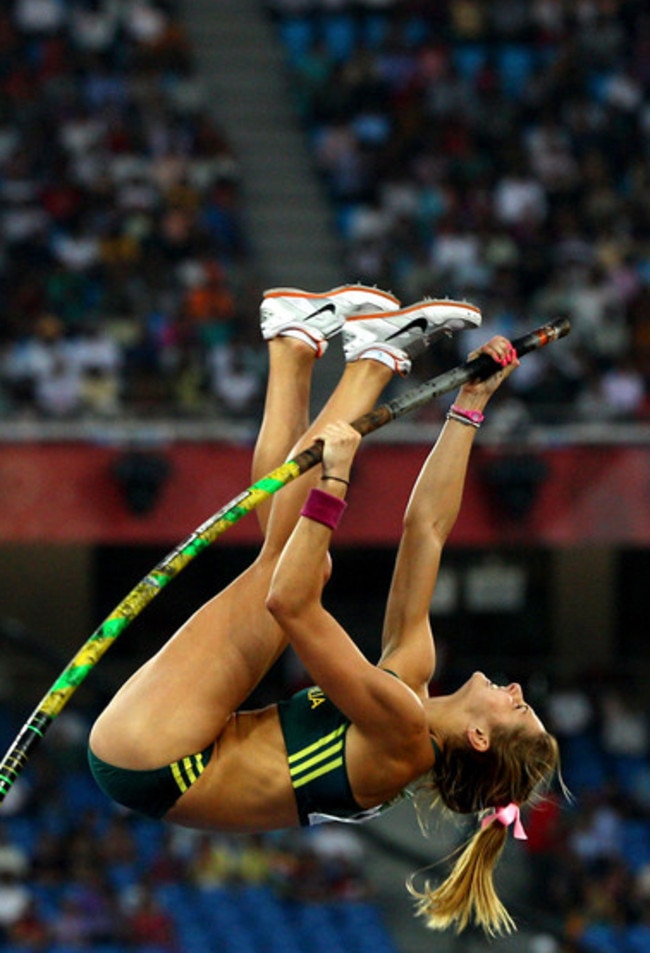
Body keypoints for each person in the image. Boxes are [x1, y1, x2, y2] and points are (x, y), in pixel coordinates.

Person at [88, 284, 560, 937]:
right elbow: (426, 529)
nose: (514, 690)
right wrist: (469, 409)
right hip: (176, 746)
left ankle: (371, 361)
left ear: (479, 737)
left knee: (297, 563)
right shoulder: (411, 678)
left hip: (158, 758)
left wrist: (335, 484)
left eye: (518, 707)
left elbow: (289, 601)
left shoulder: (402, 734)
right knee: (289, 548)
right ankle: (293, 344)